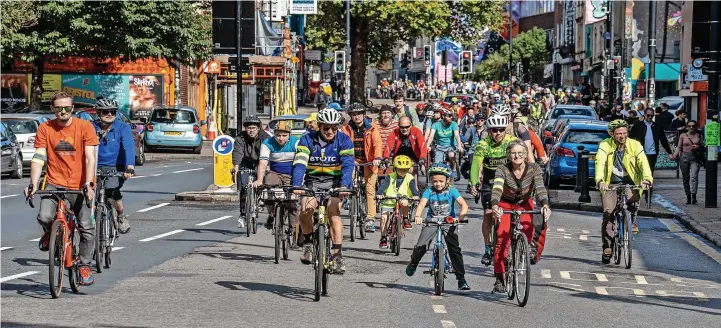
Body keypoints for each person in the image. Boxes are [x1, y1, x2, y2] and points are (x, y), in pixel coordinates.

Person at [24, 92, 99, 286]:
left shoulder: (85, 127)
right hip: (54, 182)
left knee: (86, 228)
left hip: (80, 185)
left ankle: (84, 266)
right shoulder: (45, 128)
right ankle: (50, 233)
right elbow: (39, 158)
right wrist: (32, 183)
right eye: (59, 108)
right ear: (53, 109)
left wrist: (89, 184)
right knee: (45, 216)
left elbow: (90, 158)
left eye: (66, 107)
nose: (63, 111)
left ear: (72, 108)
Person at [292, 108, 354, 274]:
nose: (330, 131)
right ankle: (308, 244)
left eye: (334, 128)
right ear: (318, 126)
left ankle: (337, 256)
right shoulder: (307, 140)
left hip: (335, 183)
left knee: (334, 213)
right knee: (305, 210)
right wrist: (297, 185)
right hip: (312, 181)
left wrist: (345, 186)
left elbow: (348, 165)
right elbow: (300, 164)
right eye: (326, 128)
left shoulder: (344, 140)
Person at [490, 140, 551, 292]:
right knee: (502, 239)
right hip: (505, 203)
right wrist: (495, 204)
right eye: (513, 153)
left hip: (524, 203)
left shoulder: (534, 168)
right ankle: (499, 277)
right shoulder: (502, 169)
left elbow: (540, 187)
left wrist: (544, 204)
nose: (516, 156)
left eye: (520, 153)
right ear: (508, 155)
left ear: (525, 155)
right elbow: (497, 187)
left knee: (528, 229)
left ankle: (524, 249)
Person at [405, 163, 470, 291]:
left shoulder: (452, 190)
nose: (438, 184)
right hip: (432, 221)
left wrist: (460, 218)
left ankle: (461, 278)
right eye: (435, 181)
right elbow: (422, 203)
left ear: (447, 180)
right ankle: (413, 263)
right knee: (421, 246)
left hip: (449, 222)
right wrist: (418, 215)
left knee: (454, 249)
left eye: (441, 181)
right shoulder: (429, 191)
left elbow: (464, 205)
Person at [595, 120, 653, 263]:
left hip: (630, 181)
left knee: (633, 199)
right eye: (619, 133)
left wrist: (647, 179)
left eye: (624, 133)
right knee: (609, 212)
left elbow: (643, 162)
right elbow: (600, 162)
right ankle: (607, 247)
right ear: (612, 134)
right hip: (610, 183)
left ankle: (631, 220)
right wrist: (600, 181)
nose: (622, 136)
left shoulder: (635, 145)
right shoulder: (605, 145)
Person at [469, 115, 518, 266]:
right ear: (489, 131)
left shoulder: (511, 142)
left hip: (508, 182)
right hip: (489, 183)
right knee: (488, 214)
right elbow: (476, 165)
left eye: (501, 130)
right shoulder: (483, 144)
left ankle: (515, 238)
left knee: (515, 211)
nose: (498, 133)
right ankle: (488, 248)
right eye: (494, 130)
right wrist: (474, 183)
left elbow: (521, 163)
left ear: (505, 130)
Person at [92, 98, 135, 234]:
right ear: (98, 113)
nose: (110, 114)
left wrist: (130, 166)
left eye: (113, 112)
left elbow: (128, 147)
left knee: (112, 192)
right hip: (93, 168)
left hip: (115, 168)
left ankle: (121, 216)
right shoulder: (91, 127)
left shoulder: (122, 127)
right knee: (88, 196)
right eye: (106, 112)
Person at [249, 120, 300, 231]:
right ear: (274, 134)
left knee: (293, 203)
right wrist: (259, 180)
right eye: (278, 135)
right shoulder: (268, 143)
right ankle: (272, 214)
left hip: (292, 175)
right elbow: (263, 163)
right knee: (269, 189)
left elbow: (302, 163)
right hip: (275, 173)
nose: (281, 138)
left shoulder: (297, 142)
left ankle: (293, 230)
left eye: (284, 135)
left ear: (290, 135)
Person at [341, 103, 383, 232]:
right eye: (353, 114)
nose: (356, 117)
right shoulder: (346, 129)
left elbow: (377, 143)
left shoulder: (372, 128)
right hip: (353, 160)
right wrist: (346, 158)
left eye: (359, 114)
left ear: (363, 115)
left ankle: (370, 218)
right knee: (347, 180)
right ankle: (347, 199)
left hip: (370, 161)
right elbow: (343, 144)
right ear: (350, 116)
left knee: (370, 189)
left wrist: (377, 158)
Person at [232, 115, 271, 226]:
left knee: (264, 184)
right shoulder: (240, 138)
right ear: (245, 128)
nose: (251, 130)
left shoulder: (266, 138)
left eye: (254, 128)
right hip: (246, 163)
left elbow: (269, 153)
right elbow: (238, 152)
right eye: (249, 128)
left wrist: (267, 166)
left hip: (261, 163)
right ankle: (243, 214)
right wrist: (236, 166)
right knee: (244, 187)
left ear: (259, 128)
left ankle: (260, 200)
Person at [375, 155, 420, 248]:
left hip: (403, 199)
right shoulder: (389, 177)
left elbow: (413, 189)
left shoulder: (409, 178)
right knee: (384, 217)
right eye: (400, 169)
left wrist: (416, 196)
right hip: (388, 199)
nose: (403, 172)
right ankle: (383, 237)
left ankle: (405, 218)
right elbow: (383, 186)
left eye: (405, 169)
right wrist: (379, 193)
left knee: (405, 203)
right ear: (395, 168)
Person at [669, 120, 703, 204]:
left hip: (695, 158)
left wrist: (698, 147)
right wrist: (674, 155)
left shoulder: (699, 135)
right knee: (685, 178)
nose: (691, 127)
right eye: (689, 126)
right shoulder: (683, 135)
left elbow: (703, 146)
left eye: (693, 126)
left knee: (694, 177)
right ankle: (688, 196)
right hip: (684, 158)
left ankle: (694, 196)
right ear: (687, 127)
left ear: (696, 127)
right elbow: (679, 147)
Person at [630, 108, 672, 175]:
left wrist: (669, 152)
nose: (650, 117)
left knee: (650, 172)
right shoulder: (639, 125)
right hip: (641, 152)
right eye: (648, 115)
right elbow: (631, 136)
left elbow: (663, 140)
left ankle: (648, 185)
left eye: (652, 116)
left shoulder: (657, 126)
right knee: (641, 171)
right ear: (644, 115)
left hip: (653, 153)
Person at [426, 108, 464, 179]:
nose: (451, 117)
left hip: (451, 146)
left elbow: (457, 136)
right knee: (437, 164)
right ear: (443, 116)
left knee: (451, 155)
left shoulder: (454, 124)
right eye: (449, 116)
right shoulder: (436, 125)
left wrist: (459, 145)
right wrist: (427, 145)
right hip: (440, 146)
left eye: (451, 116)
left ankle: (454, 170)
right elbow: (431, 136)